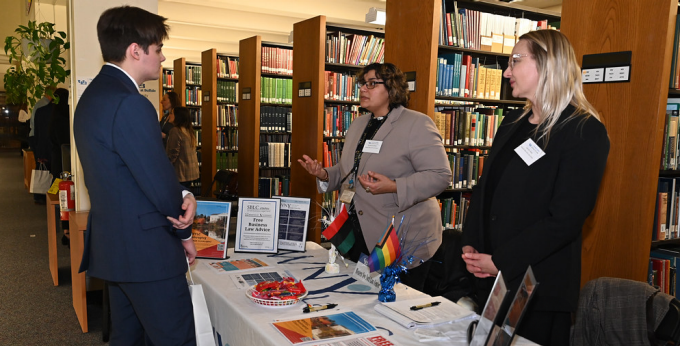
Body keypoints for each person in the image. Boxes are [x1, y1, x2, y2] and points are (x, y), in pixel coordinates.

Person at [460, 30, 610, 346]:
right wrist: (472, 244)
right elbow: (486, 187)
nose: (506, 71)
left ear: (547, 64)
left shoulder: (584, 131)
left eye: (515, 61)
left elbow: (564, 220)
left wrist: (500, 260)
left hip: (538, 289)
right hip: (491, 280)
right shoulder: (511, 122)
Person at [73, 6, 197, 345]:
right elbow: (158, 183)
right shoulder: (131, 103)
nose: (162, 57)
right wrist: (185, 217)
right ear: (135, 50)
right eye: (158, 49)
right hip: (148, 255)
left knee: (127, 338)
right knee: (177, 339)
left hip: (116, 250)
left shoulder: (91, 98)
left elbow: (123, 175)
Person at [297, 62, 451, 291]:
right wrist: (323, 174)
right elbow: (350, 171)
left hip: (400, 236)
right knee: (365, 299)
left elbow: (440, 176)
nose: (363, 89)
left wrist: (394, 186)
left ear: (392, 88)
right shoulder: (359, 124)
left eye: (371, 84)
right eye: (362, 84)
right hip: (359, 231)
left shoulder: (416, 124)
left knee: (396, 303)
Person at [166, 106, 200, 188]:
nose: (169, 115)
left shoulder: (175, 131)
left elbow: (173, 153)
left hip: (180, 173)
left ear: (178, 116)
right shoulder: (188, 130)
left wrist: (165, 166)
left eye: (171, 113)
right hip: (190, 172)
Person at [49, 88, 70, 179]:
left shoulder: (54, 116)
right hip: (63, 161)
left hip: (56, 159)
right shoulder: (62, 120)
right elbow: (65, 142)